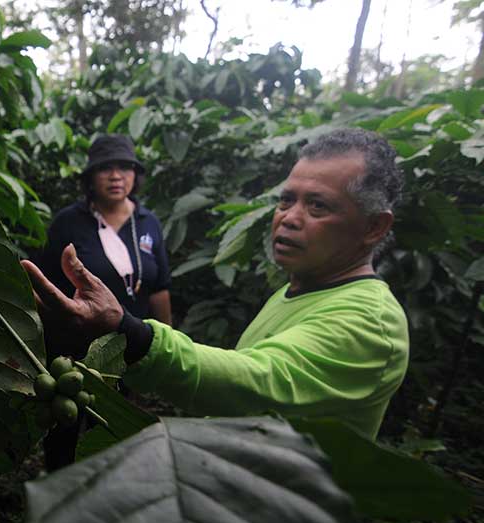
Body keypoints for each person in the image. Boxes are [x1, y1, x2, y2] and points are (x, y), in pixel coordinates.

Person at [22, 127, 409, 442]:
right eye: (286, 200)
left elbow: (258, 379)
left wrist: (131, 337)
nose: (289, 218)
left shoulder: (370, 322)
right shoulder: (296, 291)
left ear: (374, 227)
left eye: (318, 206)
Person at [35, 134, 172, 360]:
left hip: (135, 349)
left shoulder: (148, 222)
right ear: (91, 177)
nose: (116, 176)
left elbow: (159, 288)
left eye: (125, 167)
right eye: (105, 168)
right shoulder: (69, 221)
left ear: (135, 175)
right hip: (76, 351)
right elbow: (44, 285)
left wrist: (165, 351)